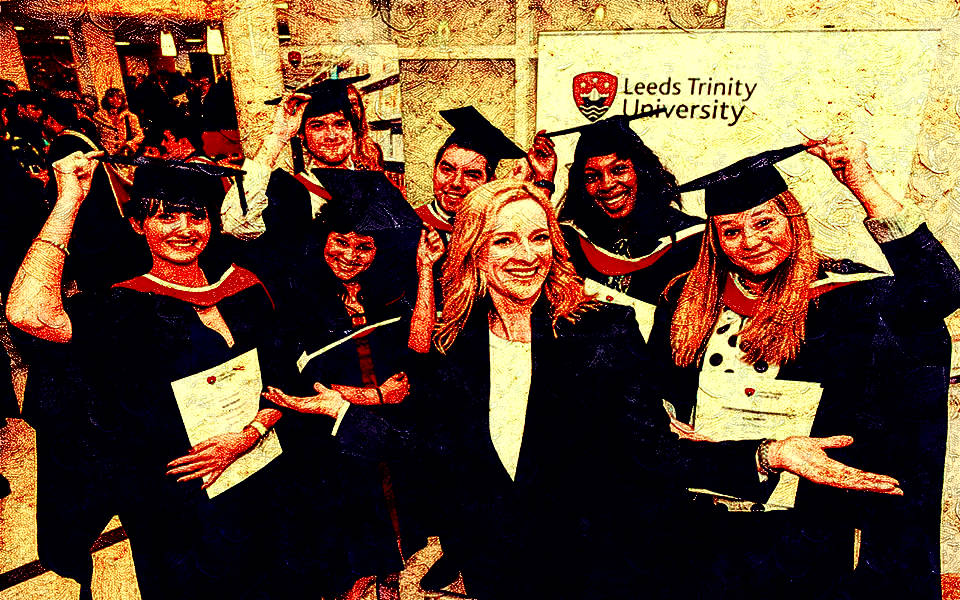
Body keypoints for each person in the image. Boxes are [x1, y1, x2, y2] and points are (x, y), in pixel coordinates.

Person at [266, 179, 903, 600]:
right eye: (504, 240)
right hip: (497, 564)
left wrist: (768, 454)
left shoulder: (602, 332)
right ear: (474, 250)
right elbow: (431, 447)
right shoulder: (453, 342)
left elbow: (652, 452)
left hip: (596, 566)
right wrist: (347, 414)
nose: (525, 255)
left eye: (539, 236)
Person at [648, 135, 960, 599]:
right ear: (714, 239)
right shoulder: (684, 300)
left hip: (802, 532)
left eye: (764, 221)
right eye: (730, 231)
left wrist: (862, 184)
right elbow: (652, 389)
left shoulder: (848, 296)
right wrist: (660, 416)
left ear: (792, 219)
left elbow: (939, 291)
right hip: (704, 517)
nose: (750, 241)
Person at [5, 152, 312, 600]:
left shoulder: (244, 289)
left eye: (196, 216)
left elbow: (283, 378)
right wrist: (69, 198)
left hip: (257, 471)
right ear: (137, 224)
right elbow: (26, 312)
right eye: (166, 216)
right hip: (177, 500)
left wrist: (248, 435)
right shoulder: (123, 309)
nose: (184, 229)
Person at [407, 106, 558, 352]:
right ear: (434, 170)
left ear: (489, 182)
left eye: (472, 174)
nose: (456, 183)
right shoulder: (410, 227)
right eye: (447, 169)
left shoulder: (496, 230)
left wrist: (543, 181)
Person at [555, 116, 703, 337]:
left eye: (618, 170)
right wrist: (542, 182)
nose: (607, 184)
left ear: (641, 172)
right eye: (592, 177)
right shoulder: (574, 240)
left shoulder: (690, 240)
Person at [220, 76, 372, 243]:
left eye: (340, 124)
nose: (331, 135)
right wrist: (279, 136)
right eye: (317, 126)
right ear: (302, 136)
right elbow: (236, 227)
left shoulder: (373, 184)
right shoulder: (289, 191)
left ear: (353, 131)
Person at [94, 87, 144, 156]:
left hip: (123, 156)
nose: (115, 100)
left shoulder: (130, 117)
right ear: (106, 99)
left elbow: (139, 135)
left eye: (118, 97)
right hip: (104, 155)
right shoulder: (99, 117)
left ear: (122, 100)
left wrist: (129, 144)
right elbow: (95, 135)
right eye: (111, 97)